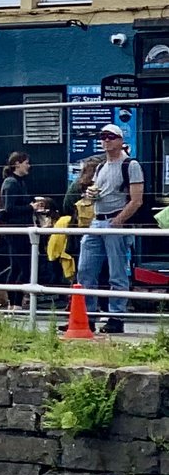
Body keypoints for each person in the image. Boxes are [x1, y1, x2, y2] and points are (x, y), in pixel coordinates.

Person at [81, 124, 146, 334]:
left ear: (120, 140)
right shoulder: (101, 167)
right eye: (103, 137)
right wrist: (90, 196)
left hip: (114, 220)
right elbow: (97, 192)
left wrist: (119, 220)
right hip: (98, 220)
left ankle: (116, 316)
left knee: (117, 272)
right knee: (85, 269)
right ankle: (87, 316)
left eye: (110, 137)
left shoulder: (130, 165)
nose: (106, 140)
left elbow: (137, 200)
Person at [0, 151, 35, 304]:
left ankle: (14, 302)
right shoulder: (11, 183)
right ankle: (15, 301)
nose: (28, 166)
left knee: (19, 267)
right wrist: (31, 207)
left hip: (20, 230)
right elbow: (9, 209)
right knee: (22, 267)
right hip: (16, 231)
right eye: (26, 163)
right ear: (17, 164)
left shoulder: (18, 182)